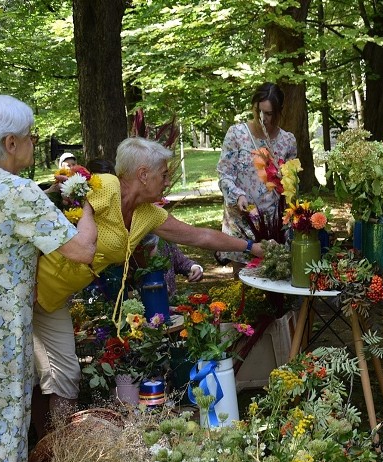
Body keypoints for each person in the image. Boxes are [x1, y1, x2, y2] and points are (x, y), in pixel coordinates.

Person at [32, 137, 267, 435]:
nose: (167, 181)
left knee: (65, 376)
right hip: (29, 288)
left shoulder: (147, 213)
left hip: (56, 300)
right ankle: (38, 449)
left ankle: (55, 451)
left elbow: (199, 237)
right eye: (164, 174)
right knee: (26, 376)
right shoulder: (105, 186)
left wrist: (250, 246)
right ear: (143, 174)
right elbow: (47, 210)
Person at [0, 94, 96, 462]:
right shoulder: (16, 191)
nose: (33, 143)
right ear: (10, 143)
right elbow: (81, 250)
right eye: (29, 137)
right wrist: (88, 203)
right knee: (7, 421)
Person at [86, 158, 204, 299]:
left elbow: (178, 258)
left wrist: (194, 267)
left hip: (167, 304)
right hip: (134, 310)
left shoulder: (151, 218)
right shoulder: (108, 239)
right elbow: (108, 291)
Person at [217, 82, 297, 276]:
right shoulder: (236, 134)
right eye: (258, 111)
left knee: (274, 276)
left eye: (269, 114)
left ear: (279, 112)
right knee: (244, 280)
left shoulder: (288, 140)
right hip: (242, 218)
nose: (263, 118)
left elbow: (292, 185)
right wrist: (237, 196)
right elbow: (224, 173)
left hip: (274, 222)